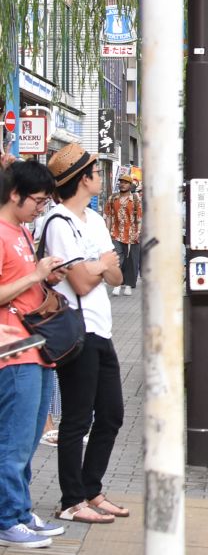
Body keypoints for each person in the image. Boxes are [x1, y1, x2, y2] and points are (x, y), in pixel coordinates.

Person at [41, 144, 128, 525]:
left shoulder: (93, 220)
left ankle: (92, 490)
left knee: (112, 415)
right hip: (76, 331)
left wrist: (96, 267)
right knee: (77, 420)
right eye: (95, 170)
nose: (100, 176)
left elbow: (118, 274)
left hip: (101, 328)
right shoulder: (59, 222)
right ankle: (71, 499)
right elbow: (78, 281)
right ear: (82, 179)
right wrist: (99, 265)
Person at [0, 159, 70, 547]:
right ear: (15, 194)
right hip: (12, 353)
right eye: (38, 201)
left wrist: (47, 277)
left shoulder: (22, 232)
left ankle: (20, 511)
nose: (41, 208)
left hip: (37, 347)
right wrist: (35, 275)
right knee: (13, 439)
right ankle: (8, 517)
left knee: (27, 439)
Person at [103, 173, 141, 297]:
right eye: (121, 182)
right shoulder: (112, 198)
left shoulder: (135, 199)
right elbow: (108, 216)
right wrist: (107, 233)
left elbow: (140, 218)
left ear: (130, 185)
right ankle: (117, 284)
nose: (123, 184)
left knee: (130, 260)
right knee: (118, 259)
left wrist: (138, 232)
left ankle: (128, 285)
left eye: (125, 182)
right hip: (116, 233)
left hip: (132, 234)